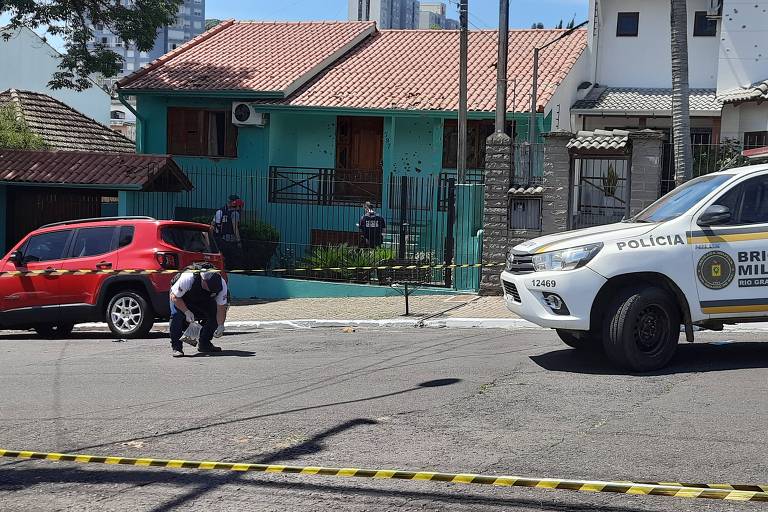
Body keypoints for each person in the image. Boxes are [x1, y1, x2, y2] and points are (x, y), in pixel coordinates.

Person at [169, 268, 229, 357]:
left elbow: (221, 307)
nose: (212, 291)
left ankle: (204, 344)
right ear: (203, 280)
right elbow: (174, 297)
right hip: (180, 297)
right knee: (176, 316)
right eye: (210, 288)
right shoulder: (188, 278)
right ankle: (177, 348)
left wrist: (221, 325)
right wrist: (186, 312)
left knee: (214, 314)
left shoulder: (222, 284)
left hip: (202, 299)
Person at [212, 195, 244, 270]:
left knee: (223, 261)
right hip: (231, 241)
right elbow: (235, 228)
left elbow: (212, 226)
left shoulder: (220, 211)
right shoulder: (235, 213)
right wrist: (239, 241)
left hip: (220, 240)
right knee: (232, 262)